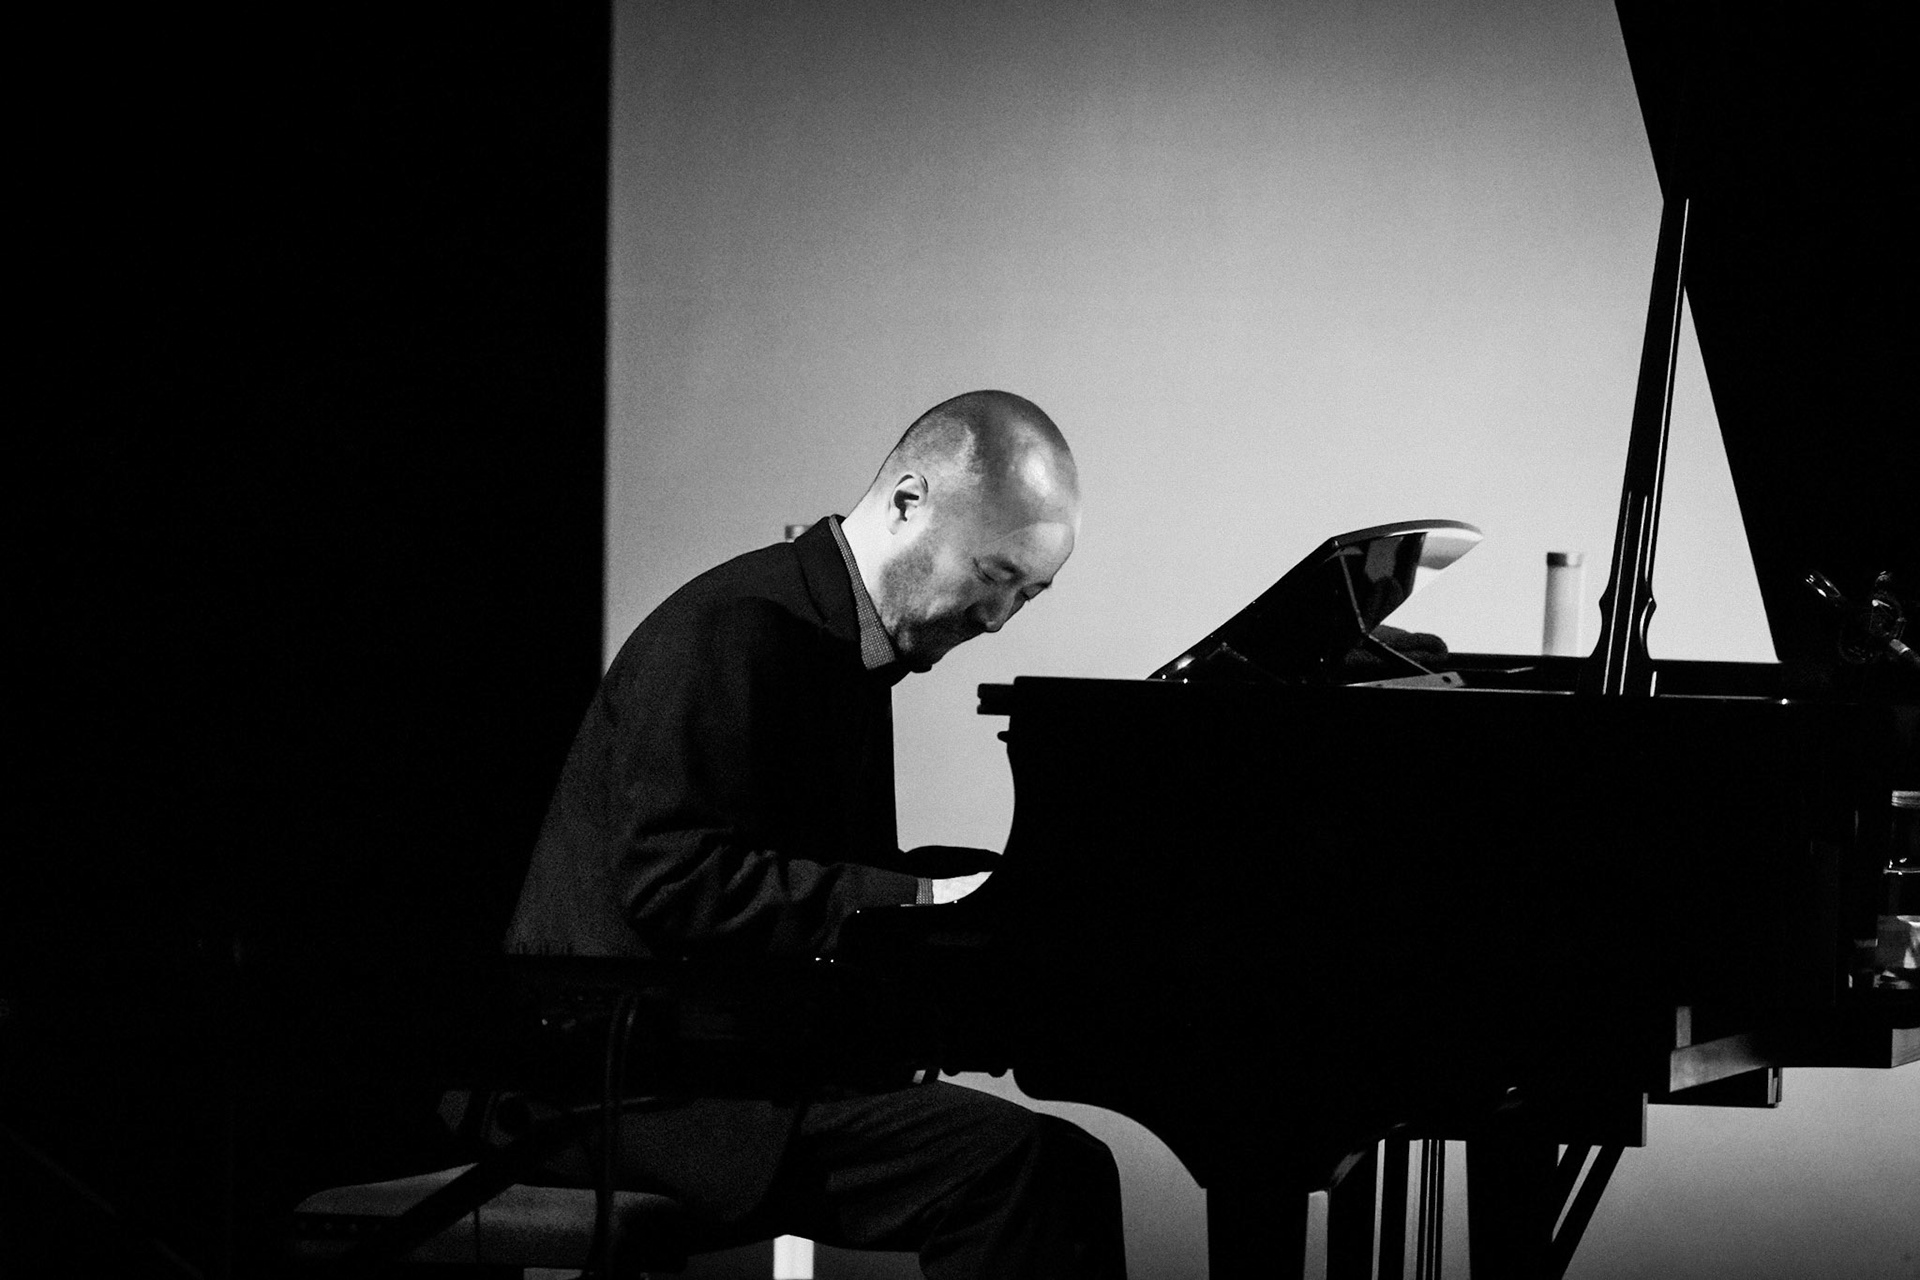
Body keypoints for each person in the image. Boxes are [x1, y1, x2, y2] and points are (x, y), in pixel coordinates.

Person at [501, 390, 1128, 1277]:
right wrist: (926, 899)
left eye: (1027, 595)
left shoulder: (839, 644)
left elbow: (804, 883)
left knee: (1057, 1168)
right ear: (909, 502)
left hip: (703, 1066)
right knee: (1030, 1170)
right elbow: (678, 881)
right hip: (614, 1087)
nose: (996, 621)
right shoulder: (739, 626)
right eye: (992, 576)